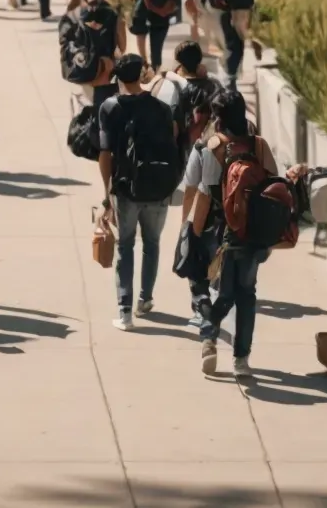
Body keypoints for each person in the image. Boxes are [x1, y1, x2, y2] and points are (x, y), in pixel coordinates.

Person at [189, 89, 279, 379]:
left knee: (223, 292)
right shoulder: (259, 145)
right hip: (254, 232)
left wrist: (192, 232)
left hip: (222, 233)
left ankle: (208, 338)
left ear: (218, 117)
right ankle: (241, 359)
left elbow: (204, 194)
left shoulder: (211, 146)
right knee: (247, 294)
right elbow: (274, 185)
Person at [98, 54, 179, 331]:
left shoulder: (110, 107)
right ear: (143, 73)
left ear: (118, 77)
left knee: (125, 245)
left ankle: (125, 312)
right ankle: (145, 300)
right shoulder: (161, 108)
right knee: (152, 243)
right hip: (158, 186)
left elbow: (105, 154)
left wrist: (106, 192)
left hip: (125, 187)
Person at [162, 43, 224, 327]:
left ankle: (201, 297)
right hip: (215, 158)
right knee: (214, 225)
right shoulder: (213, 87)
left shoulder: (173, 86)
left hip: (188, 156)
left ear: (178, 62)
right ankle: (216, 276)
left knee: (195, 227)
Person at [72, 0, 126, 105]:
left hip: (83, 64)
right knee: (102, 104)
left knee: (87, 102)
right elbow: (122, 46)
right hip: (105, 66)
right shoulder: (113, 14)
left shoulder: (79, 12)